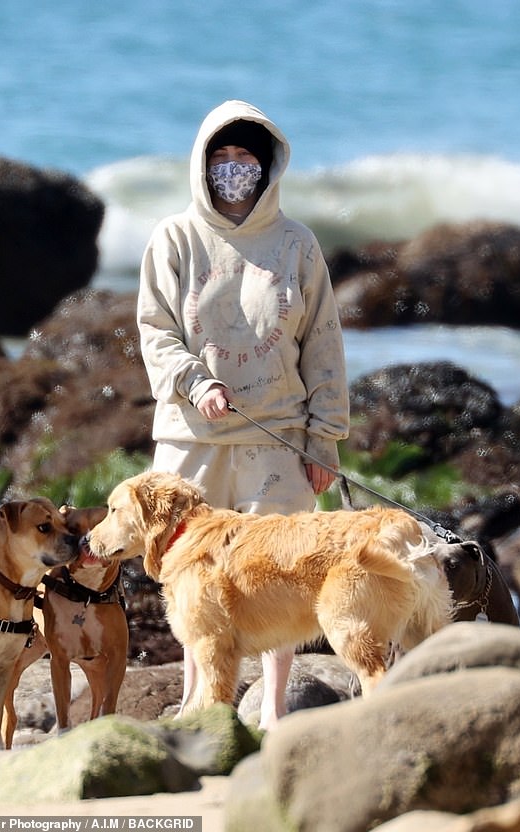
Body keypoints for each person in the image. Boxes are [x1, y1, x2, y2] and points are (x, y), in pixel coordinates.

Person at [137, 99, 349, 729]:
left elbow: (324, 343)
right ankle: (197, 707)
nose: (233, 168)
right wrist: (194, 381)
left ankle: (276, 706)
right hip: (191, 433)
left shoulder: (297, 244)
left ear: (267, 166)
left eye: (245, 157)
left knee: (279, 575)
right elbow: (155, 330)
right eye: (220, 157)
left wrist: (326, 438)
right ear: (202, 165)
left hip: (278, 435)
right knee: (191, 576)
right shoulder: (173, 237)